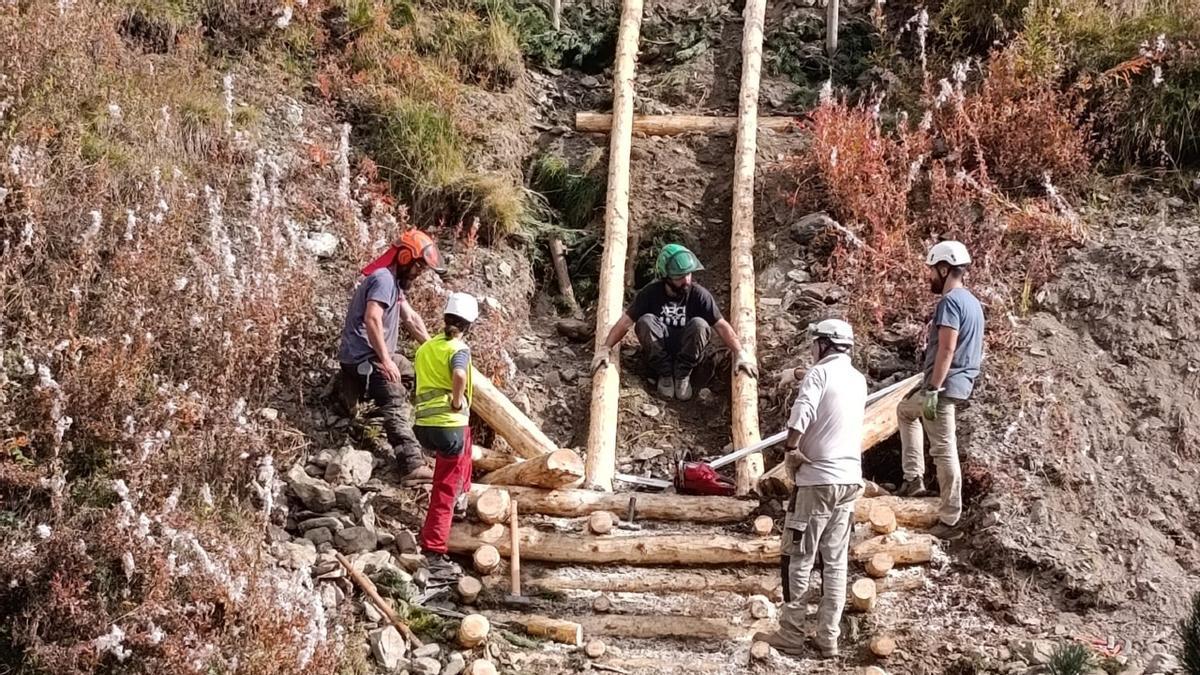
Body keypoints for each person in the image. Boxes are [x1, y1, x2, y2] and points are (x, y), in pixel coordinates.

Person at [755, 319, 866, 659]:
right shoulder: (858, 379)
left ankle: (791, 633)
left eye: (816, 343)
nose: (813, 348)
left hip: (817, 480)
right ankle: (828, 637)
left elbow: (802, 412)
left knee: (798, 557)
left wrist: (791, 448)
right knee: (835, 562)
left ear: (825, 345)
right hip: (849, 480)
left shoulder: (820, 375)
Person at [337, 230, 446, 484]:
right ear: (405, 257)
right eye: (418, 267)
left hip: (373, 354)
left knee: (410, 373)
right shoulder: (383, 279)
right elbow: (372, 318)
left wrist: (433, 350)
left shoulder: (394, 284)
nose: (419, 274)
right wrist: (385, 361)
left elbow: (411, 319)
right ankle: (411, 464)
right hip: (363, 357)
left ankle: (373, 405)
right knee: (394, 391)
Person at [896, 240, 985, 541]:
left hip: (944, 387)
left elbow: (947, 348)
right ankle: (913, 478)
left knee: (944, 449)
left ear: (945, 269)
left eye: (933, 271)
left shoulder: (950, 303)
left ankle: (951, 517)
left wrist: (933, 388)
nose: (929, 277)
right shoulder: (973, 302)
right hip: (957, 383)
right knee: (906, 412)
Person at [590, 243, 758, 400]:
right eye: (679, 277)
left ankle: (682, 375)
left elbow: (721, 325)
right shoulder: (650, 293)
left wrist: (740, 353)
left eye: (688, 274)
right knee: (645, 321)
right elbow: (625, 322)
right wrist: (605, 348)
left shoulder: (699, 295)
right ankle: (665, 374)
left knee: (700, 324)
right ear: (666, 277)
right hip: (660, 348)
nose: (686, 280)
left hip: (688, 348)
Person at [413, 292, 479, 579]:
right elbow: (460, 376)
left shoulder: (426, 348)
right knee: (443, 488)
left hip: (424, 425)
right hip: (447, 422)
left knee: (466, 445)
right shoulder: (458, 349)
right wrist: (455, 400)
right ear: (469, 324)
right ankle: (433, 549)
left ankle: (461, 502)